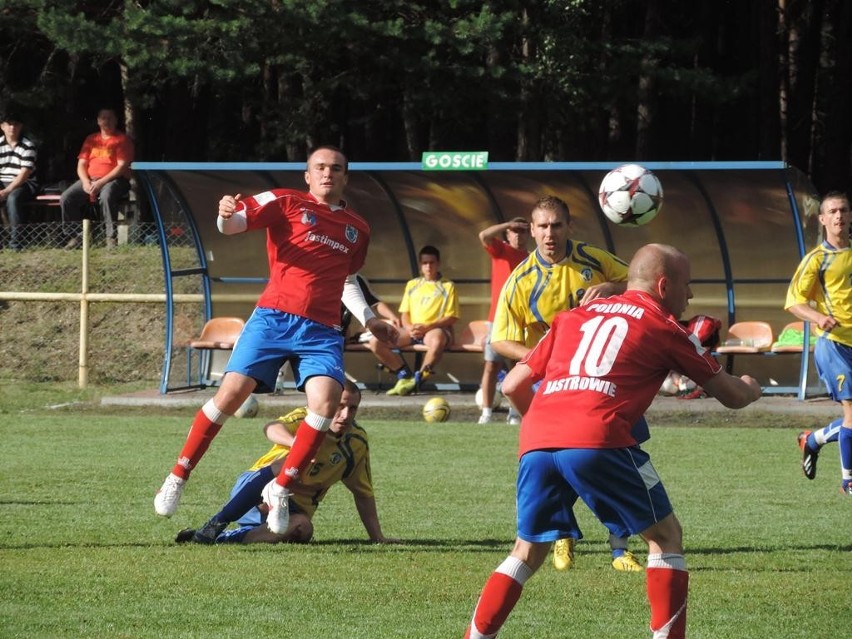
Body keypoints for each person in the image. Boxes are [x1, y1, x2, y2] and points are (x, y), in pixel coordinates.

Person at [462, 243, 762, 639]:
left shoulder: (573, 317)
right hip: (598, 438)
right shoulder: (664, 326)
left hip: (537, 439)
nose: (689, 296)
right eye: (686, 285)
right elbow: (733, 397)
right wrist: (751, 386)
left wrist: (546, 424)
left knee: (526, 551)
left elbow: (513, 384)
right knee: (666, 538)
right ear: (663, 284)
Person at [154, 146, 399, 538]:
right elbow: (232, 226)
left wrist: (370, 318)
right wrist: (224, 213)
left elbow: (347, 280)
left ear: (346, 177)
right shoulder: (285, 201)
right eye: (320, 167)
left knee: (324, 404)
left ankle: (282, 487)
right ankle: (178, 475)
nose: (327, 174)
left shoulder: (358, 228)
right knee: (231, 394)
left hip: (320, 331)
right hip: (273, 318)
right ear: (307, 174)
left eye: (336, 168)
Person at [489, 194, 637, 572]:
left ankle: (621, 545)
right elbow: (500, 339)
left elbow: (639, 282)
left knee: (626, 454)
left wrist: (611, 289)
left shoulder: (594, 260)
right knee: (559, 460)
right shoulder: (520, 280)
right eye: (542, 226)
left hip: (603, 376)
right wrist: (545, 360)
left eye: (557, 225)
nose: (550, 233)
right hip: (552, 383)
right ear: (532, 230)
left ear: (569, 227)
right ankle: (562, 537)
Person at [176, 381, 399, 545]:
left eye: (352, 408)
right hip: (254, 491)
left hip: (293, 510)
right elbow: (271, 427)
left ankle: (223, 539)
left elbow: (363, 493)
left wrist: (377, 537)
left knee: (303, 529)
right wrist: (297, 446)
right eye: (340, 406)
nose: (345, 414)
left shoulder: (357, 443)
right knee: (286, 465)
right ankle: (217, 523)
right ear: (329, 403)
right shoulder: (308, 419)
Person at [785, 190, 852, 494]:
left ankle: (812, 440)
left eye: (844, 210)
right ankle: (848, 480)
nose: (839, 216)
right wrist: (818, 317)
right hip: (832, 343)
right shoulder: (816, 259)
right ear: (822, 219)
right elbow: (794, 303)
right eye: (833, 211)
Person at [371, 245, 460, 396]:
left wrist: (428, 327)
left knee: (437, 339)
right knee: (376, 341)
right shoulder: (412, 284)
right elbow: (404, 313)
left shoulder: (448, 286)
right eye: (425, 263)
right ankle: (404, 375)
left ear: (438, 263)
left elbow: (452, 317)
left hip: (434, 330)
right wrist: (409, 327)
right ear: (420, 265)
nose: (428, 266)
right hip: (412, 330)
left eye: (431, 263)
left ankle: (417, 380)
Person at [477, 217, 530, 424]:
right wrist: (507, 224)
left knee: (517, 367)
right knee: (491, 365)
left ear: (530, 234)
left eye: (523, 231)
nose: (518, 234)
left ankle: (514, 414)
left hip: (520, 320)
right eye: (515, 231)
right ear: (508, 234)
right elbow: (483, 236)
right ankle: (486, 413)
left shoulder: (533, 258)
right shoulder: (501, 251)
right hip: (497, 320)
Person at [60, 107, 134, 249]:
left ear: (116, 121)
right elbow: (81, 164)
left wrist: (101, 182)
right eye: (104, 118)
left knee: (107, 195)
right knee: (66, 198)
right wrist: (85, 181)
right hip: (90, 179)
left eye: (110, 118)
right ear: (98, 121)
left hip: (115, 180)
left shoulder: (123, 140)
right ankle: (76, 237)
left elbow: (122, 166)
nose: (107, 121)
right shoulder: (91, 139)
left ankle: (110, 238)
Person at [0, 108, 38, 250]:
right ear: (2, 126)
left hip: (25, 183)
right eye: (9, 124)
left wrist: (6, 191)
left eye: (16, 124)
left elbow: (24, 174)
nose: (12, 127)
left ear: (21, 126)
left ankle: (16, 243)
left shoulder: (28, 146)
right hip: (2, 181)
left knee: (13, 198)